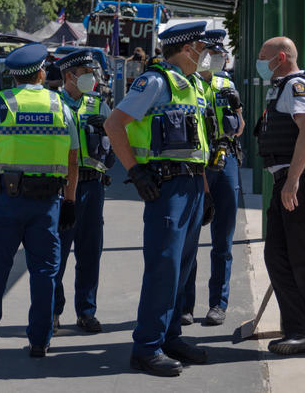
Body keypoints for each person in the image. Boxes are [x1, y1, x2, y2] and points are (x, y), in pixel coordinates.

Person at [104, 21, 211, 377]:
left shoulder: (192, 85)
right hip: (167, 188)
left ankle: (169, 336)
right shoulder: (155, 82)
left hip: (192, 186)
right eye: (201, 46)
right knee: (164, 267)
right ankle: (146, 348)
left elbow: (199, 146)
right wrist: (135, 171)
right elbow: (114, 124)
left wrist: (206, 190)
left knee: (182, 268)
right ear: (186, 48)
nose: (205, 53)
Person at [0, 43, 80, 358]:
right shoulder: (61, 107)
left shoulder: (0, 106)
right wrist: (69, 202)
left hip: (5, 202)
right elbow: (73, 162)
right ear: (42, 73)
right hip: (47, 206)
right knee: (44, 274)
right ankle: (40, 342)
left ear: (13, 77)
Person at [254, 37, 305, 355]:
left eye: (263, 56)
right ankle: (298, 326)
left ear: (281, 57)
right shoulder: (285, 87)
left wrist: (293, 181)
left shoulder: (296, 86)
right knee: (278, 255)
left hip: (301, 183)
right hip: (293, 181)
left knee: (302, 257)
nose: (260, 62)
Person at [182, 29, 246, 326]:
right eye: (212, 53)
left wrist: (237, 106)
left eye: (221, 53)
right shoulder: (190, 84)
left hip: (227, 158)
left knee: (223, 238)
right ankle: (184, 306)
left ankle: (218, 304)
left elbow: (240, 127)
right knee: (191, 237)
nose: (218, 58)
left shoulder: (226, 83)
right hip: (199, 162)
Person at [52, 49, 115, 335]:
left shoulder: (98, 104)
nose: (92, 78)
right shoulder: (52, 104)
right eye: (86, 73)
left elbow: (113, 146)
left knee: (90, 252)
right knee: (57, 253)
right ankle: (53, 310)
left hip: (91, 186)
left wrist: (108, 133)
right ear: (69, 76)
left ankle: (86, 312)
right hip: (62, 188)